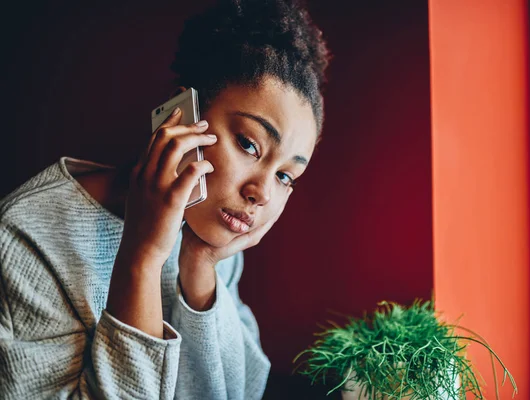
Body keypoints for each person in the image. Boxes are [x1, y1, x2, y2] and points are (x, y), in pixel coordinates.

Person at [0, 0, 330, 398]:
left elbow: (240, 392)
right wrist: (142, 256)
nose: (260, 193)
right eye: (248, 144)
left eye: (285, 175)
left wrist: (200, 265)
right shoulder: (26, 239)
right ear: (180, 117)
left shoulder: (209, 229)